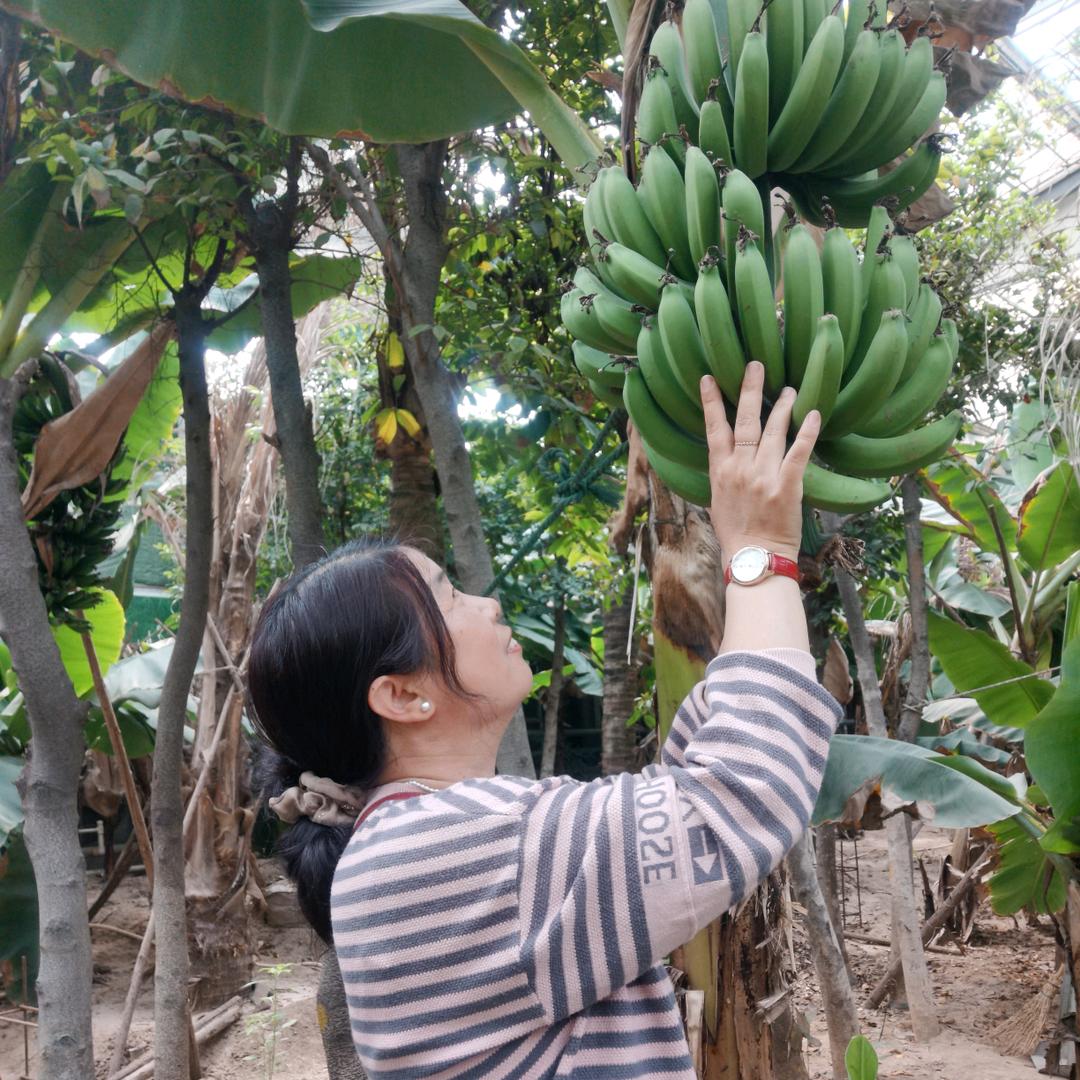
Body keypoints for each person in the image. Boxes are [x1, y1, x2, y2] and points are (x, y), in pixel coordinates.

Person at [249, 361, 842, 1077]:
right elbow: (739, 794)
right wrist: (761, 552)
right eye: (448, 598)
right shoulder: (443, 849)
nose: (487, 605)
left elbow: (689, 782)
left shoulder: (415, 842)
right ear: (401, 697)